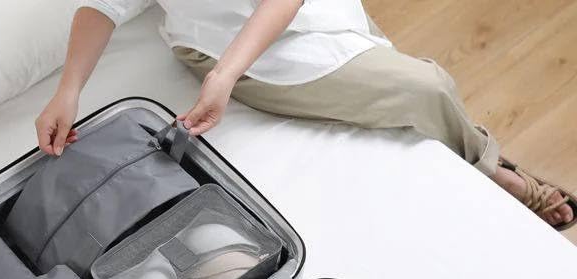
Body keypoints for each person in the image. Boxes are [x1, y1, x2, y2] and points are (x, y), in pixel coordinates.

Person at [36, 1, 575, 231]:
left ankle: (480, 157)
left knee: (413, 83)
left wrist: (225, 77)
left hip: (296, 18)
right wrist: (68, 91)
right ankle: (495, 171)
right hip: (229, 45)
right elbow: (103, 6)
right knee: (426, 87)